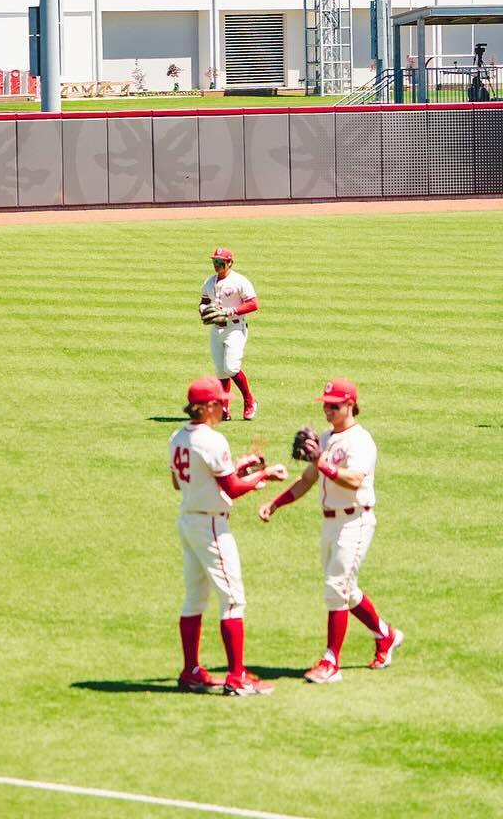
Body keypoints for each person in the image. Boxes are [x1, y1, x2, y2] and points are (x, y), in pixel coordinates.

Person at [257, 377, 403, 683]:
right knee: (346, 591)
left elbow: (354, 480)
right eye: (325, 405)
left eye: (334, 406)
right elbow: (308, 480)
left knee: (336, 588)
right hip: (330, 523)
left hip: (355, 522)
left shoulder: (361, 441)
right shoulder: (327, 438)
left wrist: (322, 463)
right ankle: (386, 635)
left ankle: (330, 662)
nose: (328, 411)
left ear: (350, 405)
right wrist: (276, 503)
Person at [168, 375, 289, 696]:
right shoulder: (212, 440)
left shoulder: (176, 436)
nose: (224, 407)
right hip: (210, 527)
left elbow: (179, 483)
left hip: (188, 520)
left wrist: (237, 468)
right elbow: (233, 489)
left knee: (194, 599)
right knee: (233, 600)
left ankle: (191, 670)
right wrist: (264, 474)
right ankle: (237, 677)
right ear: (207, 407)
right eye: (221, 402)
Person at [199, 247, 260, 421]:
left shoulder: (240, 281)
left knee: (231, 367)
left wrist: (230, 311)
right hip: (216, 329)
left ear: (230, 263)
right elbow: (203, 302)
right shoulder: (209, 282)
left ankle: (250, 401)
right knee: (221, 371)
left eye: (220, 262)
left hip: (235, 328)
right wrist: (203, 310)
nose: (217, 265)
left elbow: (253, 303)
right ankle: (224, 409)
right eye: (215, 262)